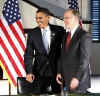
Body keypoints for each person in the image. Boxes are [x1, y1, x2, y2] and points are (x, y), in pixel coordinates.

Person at [24, 8, 65, 94]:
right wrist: (29, 72)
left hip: (56, 72)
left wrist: (61, 70)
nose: (38, 20)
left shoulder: (59, 30)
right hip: (38, 72)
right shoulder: (32, 34)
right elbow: (29, 54)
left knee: (57, 93)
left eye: (40, 18)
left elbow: (64, 51)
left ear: (48, 17)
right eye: (36, 18)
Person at [56, 9, 91, 94]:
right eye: (64, 18)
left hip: (78, 81)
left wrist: (76, 78)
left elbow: (85, 60)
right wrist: (59, 72)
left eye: (67, 18)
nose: (64, 20)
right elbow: (63, 56)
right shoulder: (66, 36)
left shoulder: (84, 35)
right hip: (66, 80)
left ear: (75, 18)